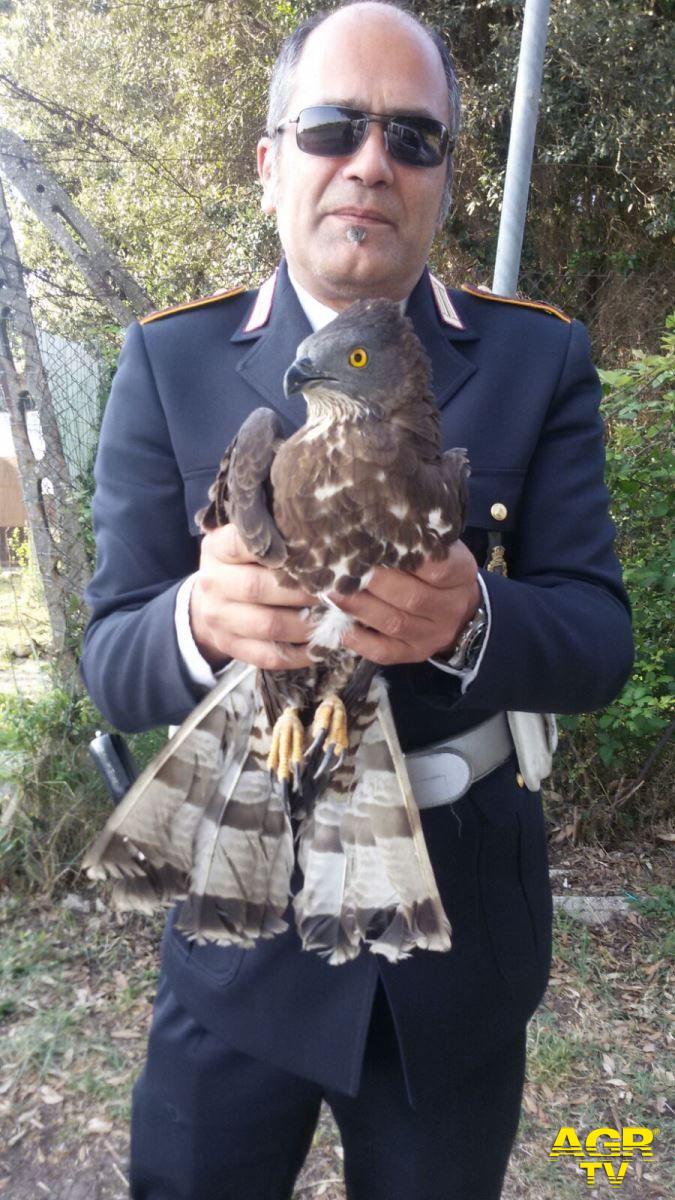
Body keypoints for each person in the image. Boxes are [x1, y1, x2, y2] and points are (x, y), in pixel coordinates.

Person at [79, 3, 634, 1197]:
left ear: (444, 178)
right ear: (274, 159)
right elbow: (110, 661)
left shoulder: (537, 359)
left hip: (460, 933)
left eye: (413, 138)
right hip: (240, 925)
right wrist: (196, 620)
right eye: (333, 128)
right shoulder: (170, 361)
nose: (371, 163)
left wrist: (472, 621)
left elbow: (598, 644)